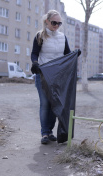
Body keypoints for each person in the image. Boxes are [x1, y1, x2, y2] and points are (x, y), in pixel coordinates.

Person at [31, 10, 71, 144]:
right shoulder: (40, 36)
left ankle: (50, 132)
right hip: (42, 75)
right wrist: (35, 63)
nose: (56, 26)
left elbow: (67, 54)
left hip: (57, 76)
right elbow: (34, 53)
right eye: (54, 23)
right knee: (45, 104)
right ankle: (44, 133)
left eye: (59, 23)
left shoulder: (62, 37)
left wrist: (75, 55)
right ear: (46, 21)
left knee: (55, 104)